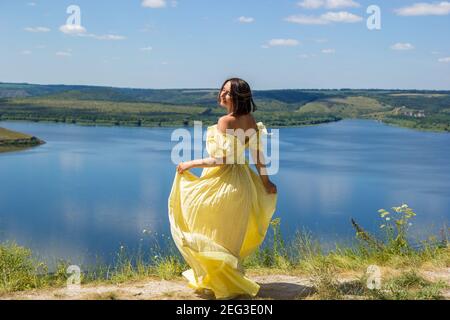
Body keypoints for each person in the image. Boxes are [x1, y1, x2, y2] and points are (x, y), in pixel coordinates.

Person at [168, 77, 278, 299]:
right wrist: (265, 182)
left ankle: (223, 284)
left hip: (223, 184)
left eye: (227, 92)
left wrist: (190, 163)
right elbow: (257, 154)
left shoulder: (225, 121)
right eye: (222, 90)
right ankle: (224, 282)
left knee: (202, 227)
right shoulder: (249, 119)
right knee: (226, 239)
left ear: (237, 97)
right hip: (242, 186)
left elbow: (224, 160)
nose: (222, 94)